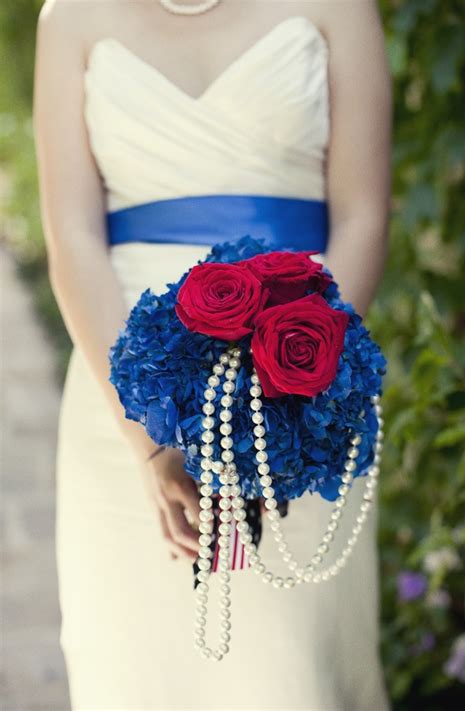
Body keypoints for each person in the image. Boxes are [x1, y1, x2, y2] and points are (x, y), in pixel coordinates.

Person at [33, 0, 392, 708]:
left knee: (293, 669)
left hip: (304, 392)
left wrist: (297, 383)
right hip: (123, 388)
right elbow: (72, 237)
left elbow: (364, 213)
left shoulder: (341, 7)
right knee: (135, 663)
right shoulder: (69, 17)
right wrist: (151, 444)